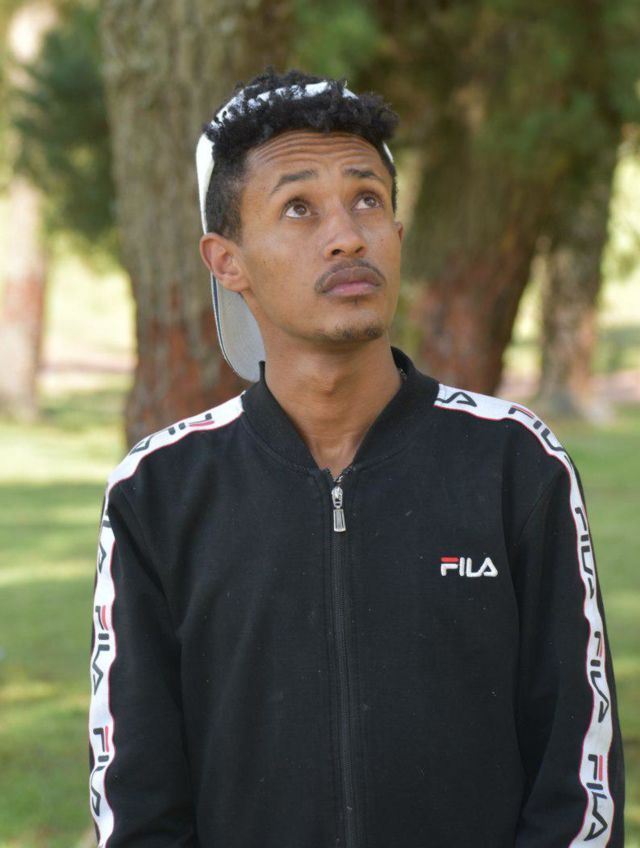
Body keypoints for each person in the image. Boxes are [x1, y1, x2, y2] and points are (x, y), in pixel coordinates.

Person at [89, 68, 624, 847]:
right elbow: (136, 793)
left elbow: (577, 768)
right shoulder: (160, 490)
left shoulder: (515, 463)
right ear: (227, 261)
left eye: (367, 199)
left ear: (398, 238)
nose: (346, 235)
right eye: (299, 208)